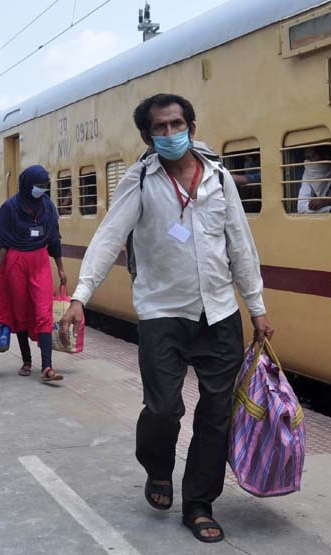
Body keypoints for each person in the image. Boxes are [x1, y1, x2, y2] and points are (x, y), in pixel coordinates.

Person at [60, 93, 273, 543]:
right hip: (161, 313)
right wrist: (80, 296)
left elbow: (241, 243)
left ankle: (198, 502)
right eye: (161, 127)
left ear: (192, 127)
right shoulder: (139, 181)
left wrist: (257, 309)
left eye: (178, 124)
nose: (171, 133)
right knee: (163, 408)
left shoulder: (219, 179)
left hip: (219, 314)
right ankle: (158, 467)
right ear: (147, 135)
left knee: (217, 415)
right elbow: (108, 237)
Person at [0, 165, 66, 382]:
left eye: (44, 186)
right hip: (15, 262)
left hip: (40, 261)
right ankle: (26, 360)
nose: (40, 190)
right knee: (20, 311)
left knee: (44, 311)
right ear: (26, 184)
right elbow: (3, 242)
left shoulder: (48, 207)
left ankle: (47, 366)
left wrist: (60, 268)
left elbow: (54, 238)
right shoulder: (11, 207)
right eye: (37, 185)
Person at [297, 146, 331, 214]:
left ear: (325, 157)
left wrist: (326, 201)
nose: (307, 161)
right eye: (306, 158)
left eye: (311, 157)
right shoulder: (309, 171)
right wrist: (329, 209)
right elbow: (301, 207)